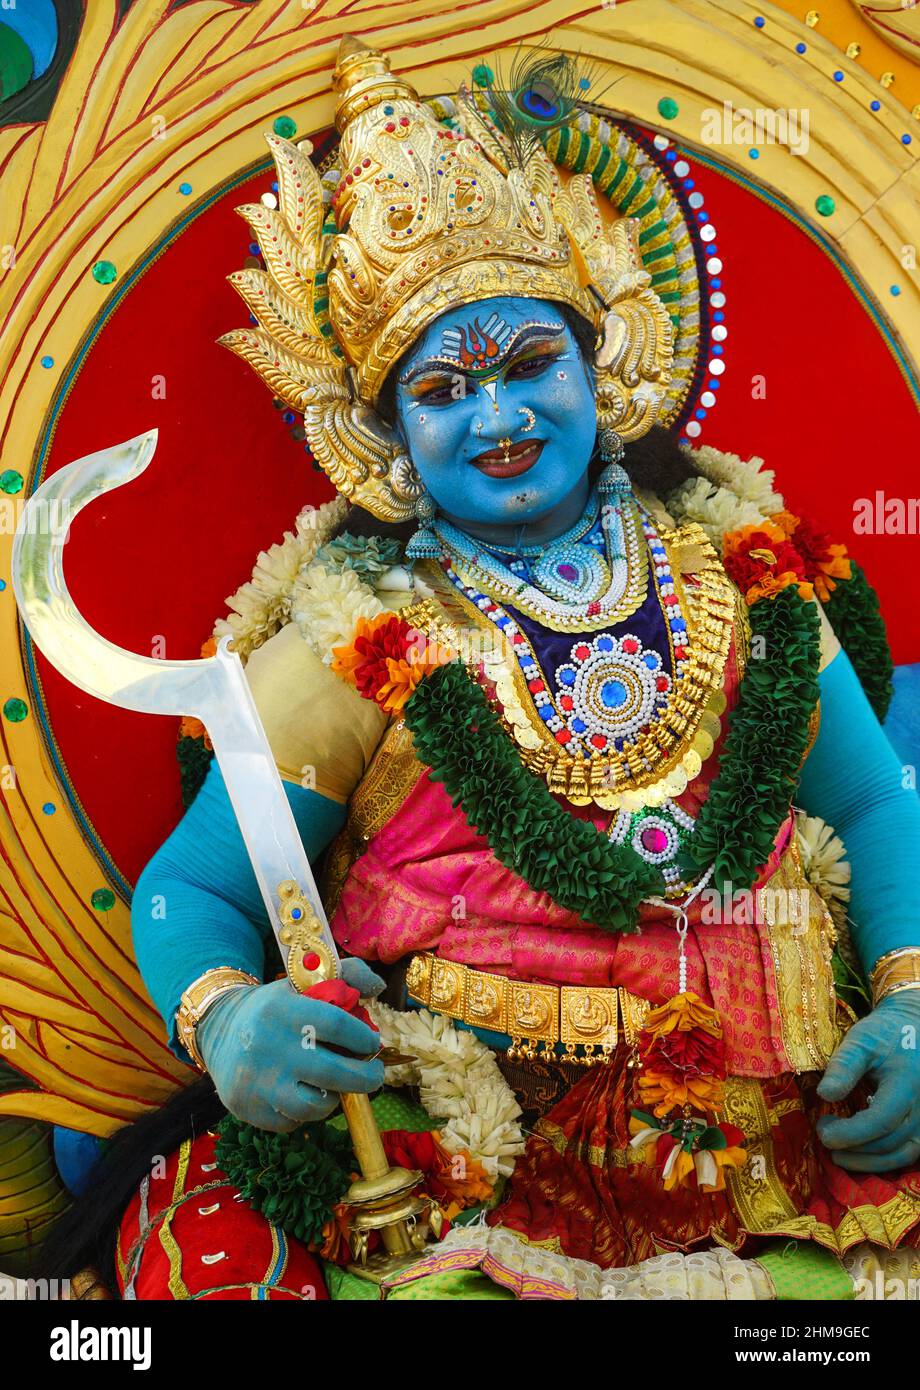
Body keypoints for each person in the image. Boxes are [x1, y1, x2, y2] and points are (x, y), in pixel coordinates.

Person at [113, 36, 920, 1299]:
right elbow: (196, 882)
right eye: (442, 388)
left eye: (531, 365)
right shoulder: (352, 636)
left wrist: (912, 1003)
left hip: (787, 1151)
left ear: (602, 362)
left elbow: (872, 801)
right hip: (472, 1174)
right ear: (381, 433)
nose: (497, 419)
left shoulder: (745, 579)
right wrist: (227, 1020)